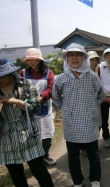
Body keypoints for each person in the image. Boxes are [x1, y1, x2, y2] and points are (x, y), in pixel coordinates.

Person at [52, 43, 105, 187]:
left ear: (84, 57)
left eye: (78, 55)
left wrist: (92, 107)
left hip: (89, 121)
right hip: (71, 123)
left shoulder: (92, 76)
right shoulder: (61, 78)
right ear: (66, 58)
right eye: (71, 55)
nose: (74, 58)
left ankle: (95, 179)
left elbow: (101, 94)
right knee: (73, 156)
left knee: (93, 155)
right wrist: (65, 108)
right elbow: (56, 98)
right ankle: (77, 180)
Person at [0, 56, 54, 187]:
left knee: (40, 171)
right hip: (6, 137)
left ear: (10, 73)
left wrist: (14, 101)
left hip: (27, 132)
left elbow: (35, 107)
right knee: (17, 175)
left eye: (2, 76)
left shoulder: (24, 84)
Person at [20, 48, 56, 166]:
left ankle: (45, 155)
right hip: (28, 109)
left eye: (32, 59)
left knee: (47, 134)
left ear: (39, 60)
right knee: (30, 134)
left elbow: (51, 89)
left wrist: (40, 98)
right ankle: (34, 158)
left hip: (44, 108)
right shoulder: (23, 73)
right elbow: (19, 88)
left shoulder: (48, 73)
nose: (30, 62)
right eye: (28, 60)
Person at [79, 51, 102, 156]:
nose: (94, 62)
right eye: (91, 59)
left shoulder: (95, 71)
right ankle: (84, 149)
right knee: (86, 126)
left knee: (97, 125)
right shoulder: (83, 72)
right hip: (85, 105)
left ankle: (93, 147)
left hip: (96, 103)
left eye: (96, 59)